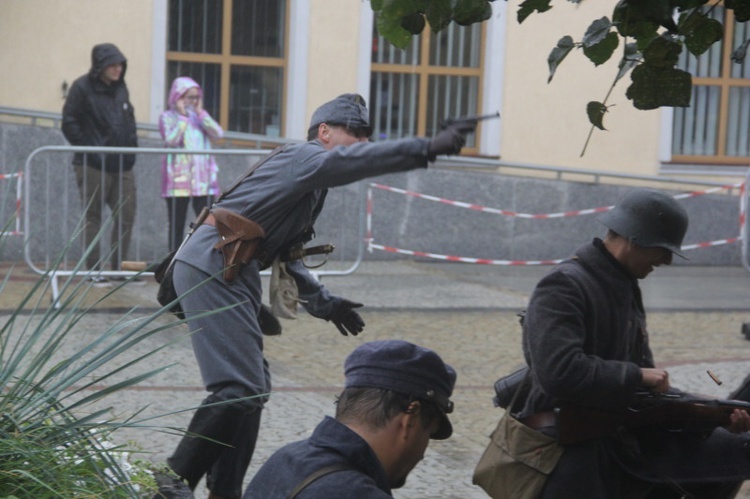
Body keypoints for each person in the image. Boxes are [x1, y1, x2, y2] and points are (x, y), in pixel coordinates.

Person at [153, 93, 476, 499]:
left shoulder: (310, 185)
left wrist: (325, 303)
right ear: (323, 132)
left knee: (253, 387)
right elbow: (345, 164)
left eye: (366, 135)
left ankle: (226, 490)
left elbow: (290, 257)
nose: (361, 142)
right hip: (214, 262)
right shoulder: (303, 157)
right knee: (240, 388)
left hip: (230, 267)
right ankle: (170, 482)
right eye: (353, 133)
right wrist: (425, 147)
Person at [516, 188, 750, 498]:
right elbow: (559, 373)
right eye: (663, 249)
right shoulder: (563, 284)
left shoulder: (624, 286)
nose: (667, 260)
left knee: (734, 452)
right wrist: (637, 376)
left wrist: (706, 413)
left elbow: (647, 386)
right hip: (565, 443)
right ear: (634, 238)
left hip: (617, 433)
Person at [243, 339, 457, 498]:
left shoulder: (286, 458)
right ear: (409, 419)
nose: (421, 455)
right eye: (428, 434)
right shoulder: (356, 493)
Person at [62, 42, 138, 285]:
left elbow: (129, 118)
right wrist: (90, 149)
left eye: (120, 65)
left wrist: (132, 148)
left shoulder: (121, 88)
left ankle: (118, 268)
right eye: (113, 64)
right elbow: (69, 121)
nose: (118, 69)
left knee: (126, 215)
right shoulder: (81, 87)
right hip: (92, 164)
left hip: (122, 164)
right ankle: (94, 269)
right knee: (93, 216)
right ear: (101, 65)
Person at [159, 76, 223, 251]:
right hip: (177, 183)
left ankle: (205, 258)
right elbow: (171, 140)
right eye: (189, 97)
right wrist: (183, 117)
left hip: (203, 182)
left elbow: (218, 133)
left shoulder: (200, 117)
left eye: (196, 97)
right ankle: (172, 262)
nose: (193, 101)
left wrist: (201, 113)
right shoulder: (167, 117)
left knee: (207, 224)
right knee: (176, 224)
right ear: (178, 97)